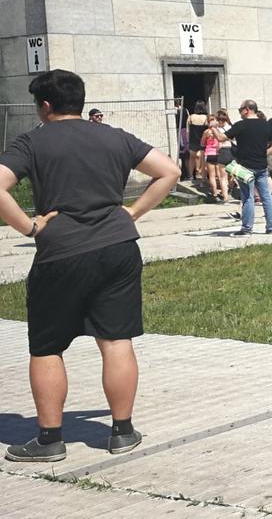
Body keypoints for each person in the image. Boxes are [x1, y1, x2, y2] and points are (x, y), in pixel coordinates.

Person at [0, 69, 180, 462]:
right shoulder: (113, 136)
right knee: (116, 340)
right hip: (118, 246)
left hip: (61, 251)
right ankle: (122, 431)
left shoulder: (32, 141)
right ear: (80, 101)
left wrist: (29, 227)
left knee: (47, 346)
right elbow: (170, 171)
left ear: (45, 106)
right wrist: (132, 212)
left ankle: (49, 439)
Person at [227, 100, 272, 236]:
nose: (240, 112)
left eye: (240, 109)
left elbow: (221, 138)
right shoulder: (265, 125)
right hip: (261, 165)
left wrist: (213, 127)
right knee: (266, 196)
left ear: (247, 109)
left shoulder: (241, 125)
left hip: (245, 166)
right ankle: (271, 227)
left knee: (248, 197)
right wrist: (264, 153)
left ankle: (247, 228)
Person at [187, 101, 209, 185]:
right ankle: (202, 175)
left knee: (191, 158)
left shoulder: (191, 117)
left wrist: (188, 140)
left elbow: (188, 130)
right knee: (202, 158)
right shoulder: (206, 117)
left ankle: (190, 175)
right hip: (203, 141)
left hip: (193, 139)